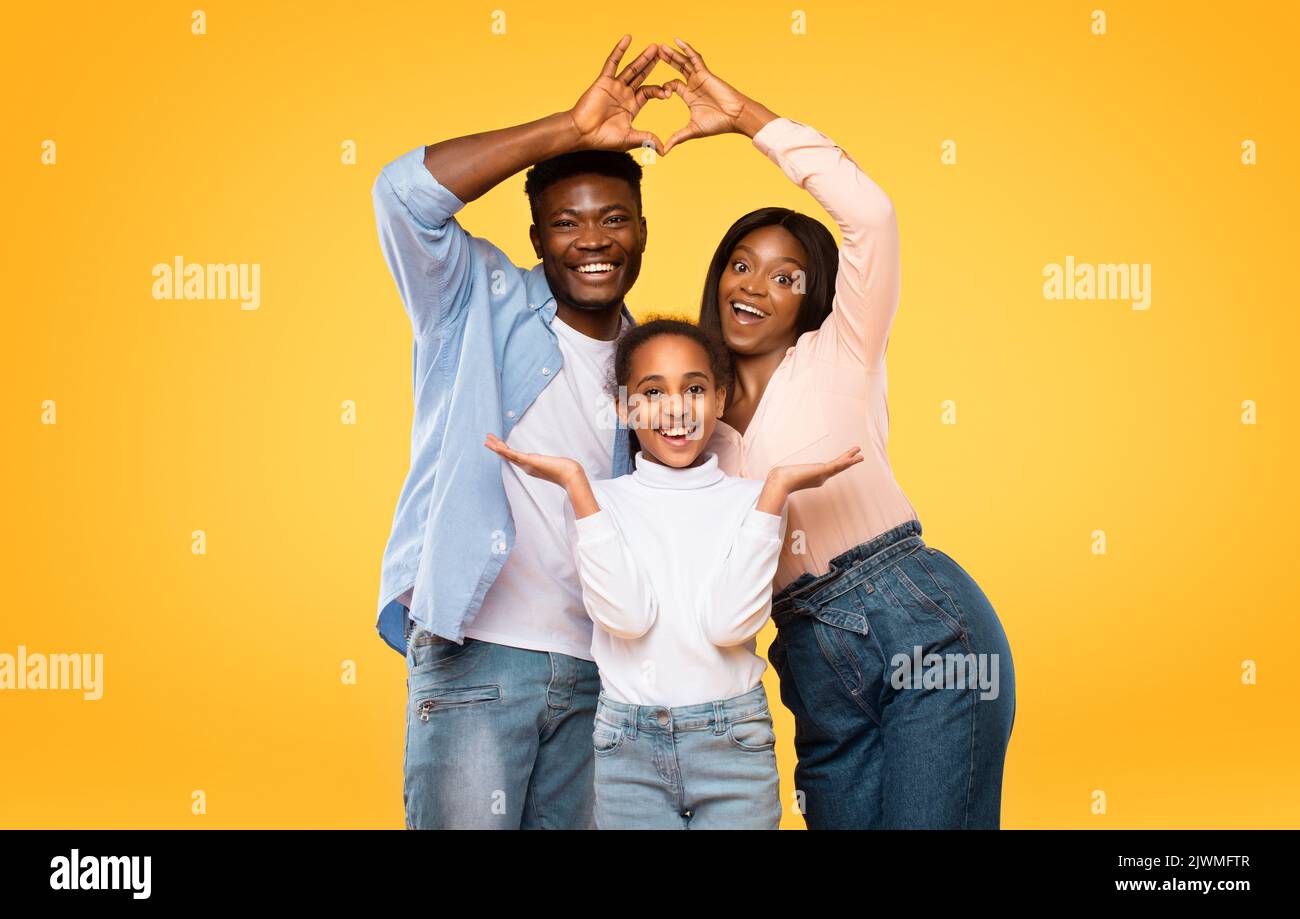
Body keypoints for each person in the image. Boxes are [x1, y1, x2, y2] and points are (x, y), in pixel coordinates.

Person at [657, 38, 1017, 828]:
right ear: (718, 275)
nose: (756, 287)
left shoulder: (844, 349)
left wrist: (743, 117)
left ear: (811, 298)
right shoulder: (693, 427)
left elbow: (871, 214)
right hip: (812, 660)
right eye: (742, 265)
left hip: (923, 626)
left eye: (787, 277)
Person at [370, 35, 675, 829]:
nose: (594, 239)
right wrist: (569, 127)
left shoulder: (654, 366)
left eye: (614, 219)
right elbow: (402, 194)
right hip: (479, 655)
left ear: (642, 230)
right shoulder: (474, 297)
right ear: (537, 237)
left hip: (596, 677)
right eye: (566, 222)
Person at [485, 318, 861, 828]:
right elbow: (627, 617)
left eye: (695, 388)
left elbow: (730, 625)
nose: (677, 408)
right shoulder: (598, 504)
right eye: (652, 391)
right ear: (622, 406)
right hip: (627, 746)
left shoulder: (753, 502)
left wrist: (774, 492)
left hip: (734, 739)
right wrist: (576, 484)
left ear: (720, 398)